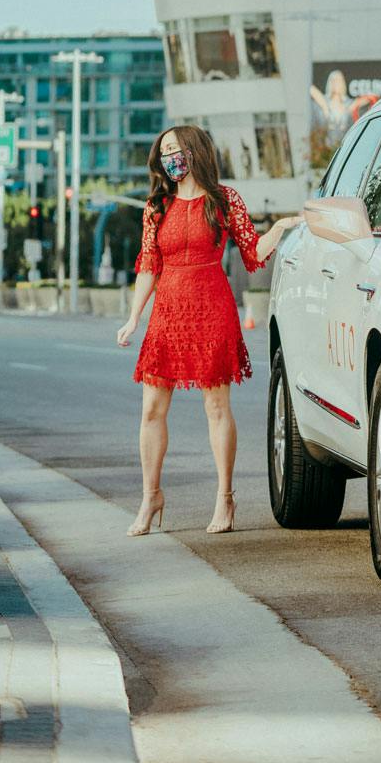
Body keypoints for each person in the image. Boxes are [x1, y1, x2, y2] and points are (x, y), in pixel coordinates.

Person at [116, 126, 301, 537]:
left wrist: (282, 227)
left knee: (216, 408)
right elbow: (148, 264)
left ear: (193, 151)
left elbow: (252, 253)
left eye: (174, 150)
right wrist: (133, 318)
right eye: (162, 151)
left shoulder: (223, 200)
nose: (168, 158)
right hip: (167, 313)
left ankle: (225, 497)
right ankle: (150, 496)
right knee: (151, 409)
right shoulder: (157, 207)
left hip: (211, 308)